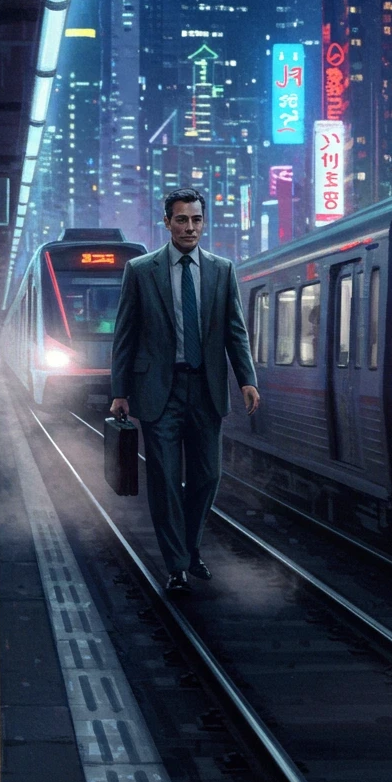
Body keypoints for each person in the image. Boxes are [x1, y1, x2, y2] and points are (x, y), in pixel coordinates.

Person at [109, 187, 260, 593]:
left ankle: (190, 550)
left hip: (206, 389)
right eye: (181, 219)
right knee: (164, 479)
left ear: (203, 222)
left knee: (207, 476)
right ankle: (176, 564)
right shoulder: (141, 270)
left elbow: (235, 330)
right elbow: (125, 335)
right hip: (160, 391)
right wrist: (120, 390)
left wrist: (247, 378)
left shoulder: (221, 270)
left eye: (196, 219)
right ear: (167, 223)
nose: (189, 227)